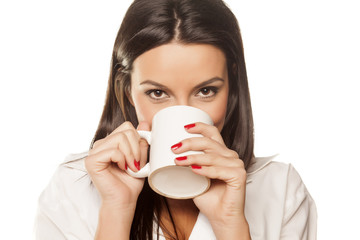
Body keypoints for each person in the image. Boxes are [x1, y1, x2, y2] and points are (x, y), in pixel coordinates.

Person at [34, 0, 317, 239]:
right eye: (157, 93)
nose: (182, 112)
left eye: (206, 91)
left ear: (231, 86)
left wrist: (230, 224)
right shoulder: (70, 190)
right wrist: (116, 210)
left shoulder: (282, 191)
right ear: (128, 91)